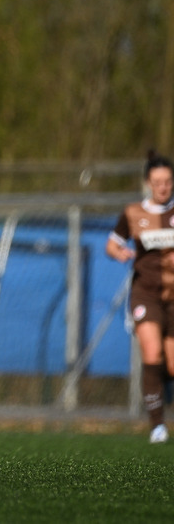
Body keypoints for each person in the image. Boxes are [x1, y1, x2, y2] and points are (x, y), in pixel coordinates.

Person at [106, 149, 174, 444]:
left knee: (171, 365)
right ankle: (157, 426)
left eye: (168, 182)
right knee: (151, 352)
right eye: (157, 182)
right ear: (148, 182)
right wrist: (120, 253)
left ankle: (160, 398)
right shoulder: (134, 213)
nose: (163, 187)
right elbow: (112, 244)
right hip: (145, 293)